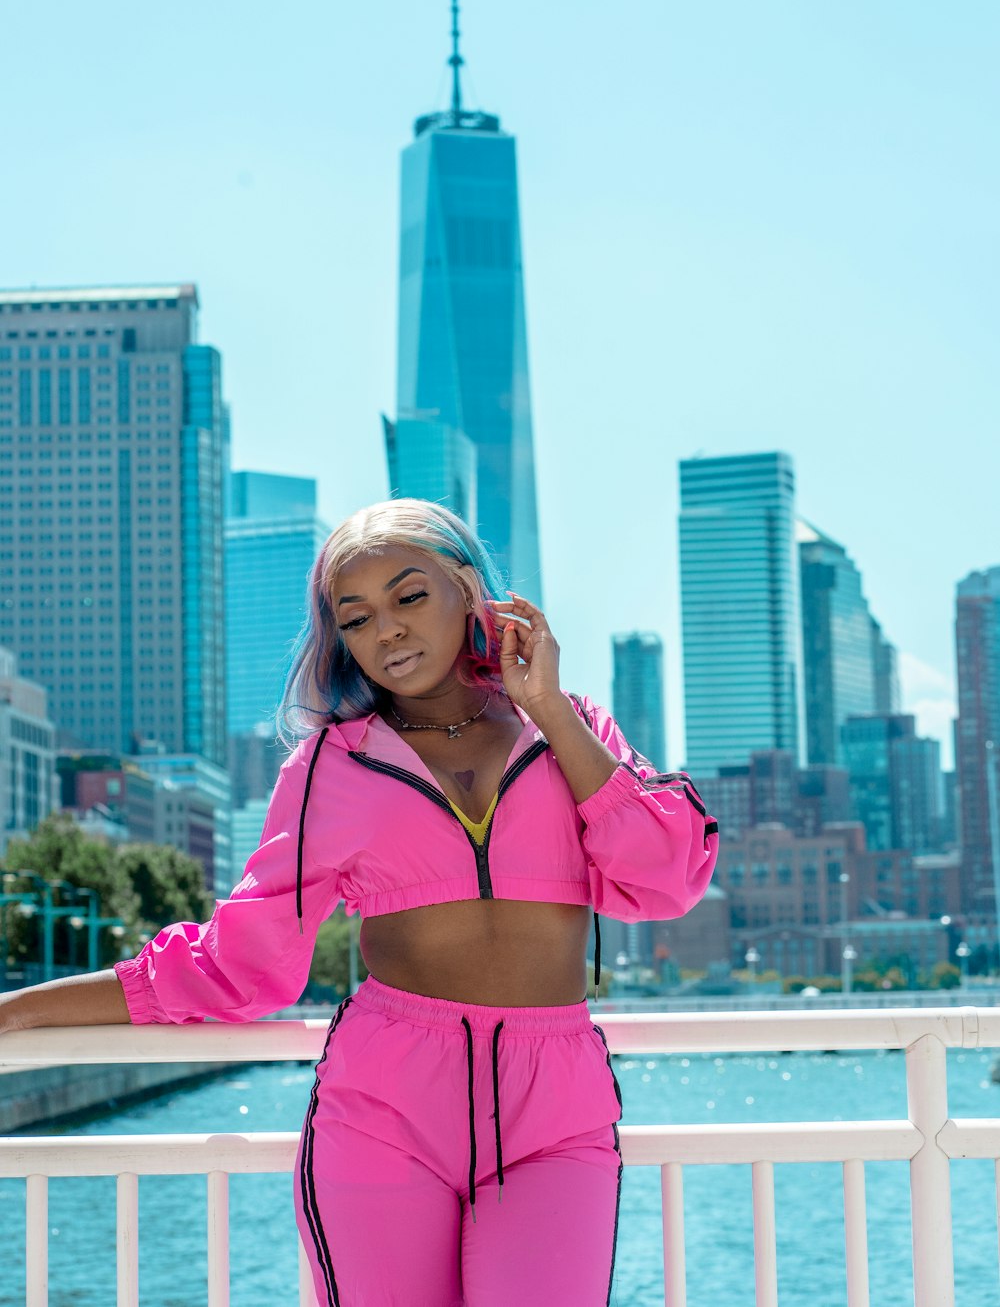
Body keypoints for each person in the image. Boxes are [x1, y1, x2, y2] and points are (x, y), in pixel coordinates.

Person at [0, 499, 718, 1306]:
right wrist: (16, 1012)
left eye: (411, 597)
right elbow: (239, 964)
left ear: (473, 593)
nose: (389, 631)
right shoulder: (328, 768)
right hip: (384, 1108)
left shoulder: (574, 729)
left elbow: (667, 878)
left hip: (556, 1108)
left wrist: (547, 707)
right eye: (358, 617)